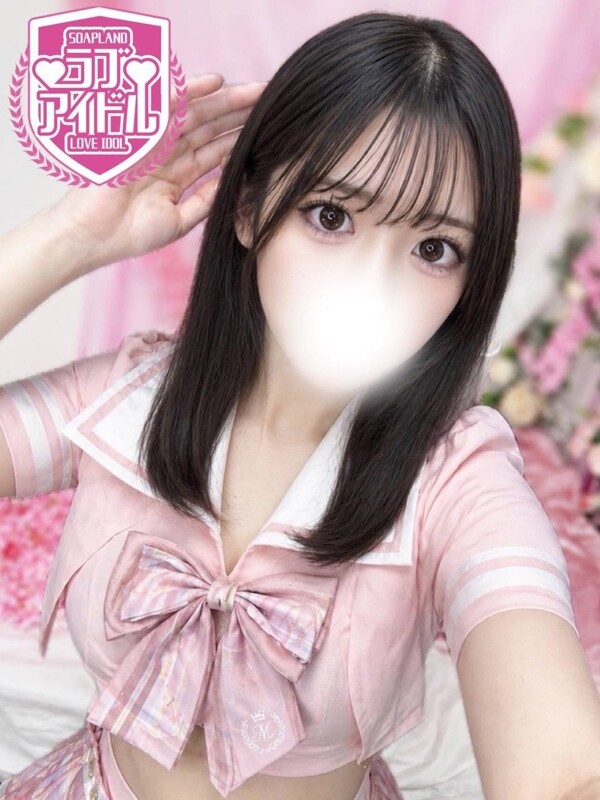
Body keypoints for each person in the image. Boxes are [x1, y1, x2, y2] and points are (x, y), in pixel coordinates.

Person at [1, 10, 600, 800]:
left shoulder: (458, 476)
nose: (370, 287)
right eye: (331, 216)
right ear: (249, 209)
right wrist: (73, 237)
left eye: (433, 249)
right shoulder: (126, 397)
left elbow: (562, 767)